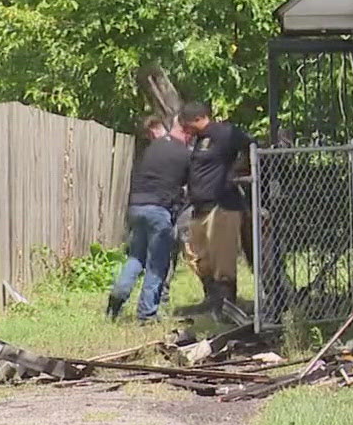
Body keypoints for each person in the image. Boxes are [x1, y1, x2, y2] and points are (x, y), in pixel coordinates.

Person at [108, 115, 189, 322]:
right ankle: (147, 313)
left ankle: (117, 295)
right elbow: (191, 185)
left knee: (136, 257)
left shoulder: (152, 148)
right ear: (187, 131)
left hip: (136, 207)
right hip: (159, 210)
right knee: (157, 263)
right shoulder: (184, 154)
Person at [178, 100, 252, 318]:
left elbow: (250, 145)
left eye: (187, 124)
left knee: (223, 260)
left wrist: (239, 169)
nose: (185, 130)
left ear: (199, 118)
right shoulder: (199, 141)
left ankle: (228, 306)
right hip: (199, 208)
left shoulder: (224, 132)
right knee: (196, 256)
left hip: (222, 206)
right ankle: (212, 300)